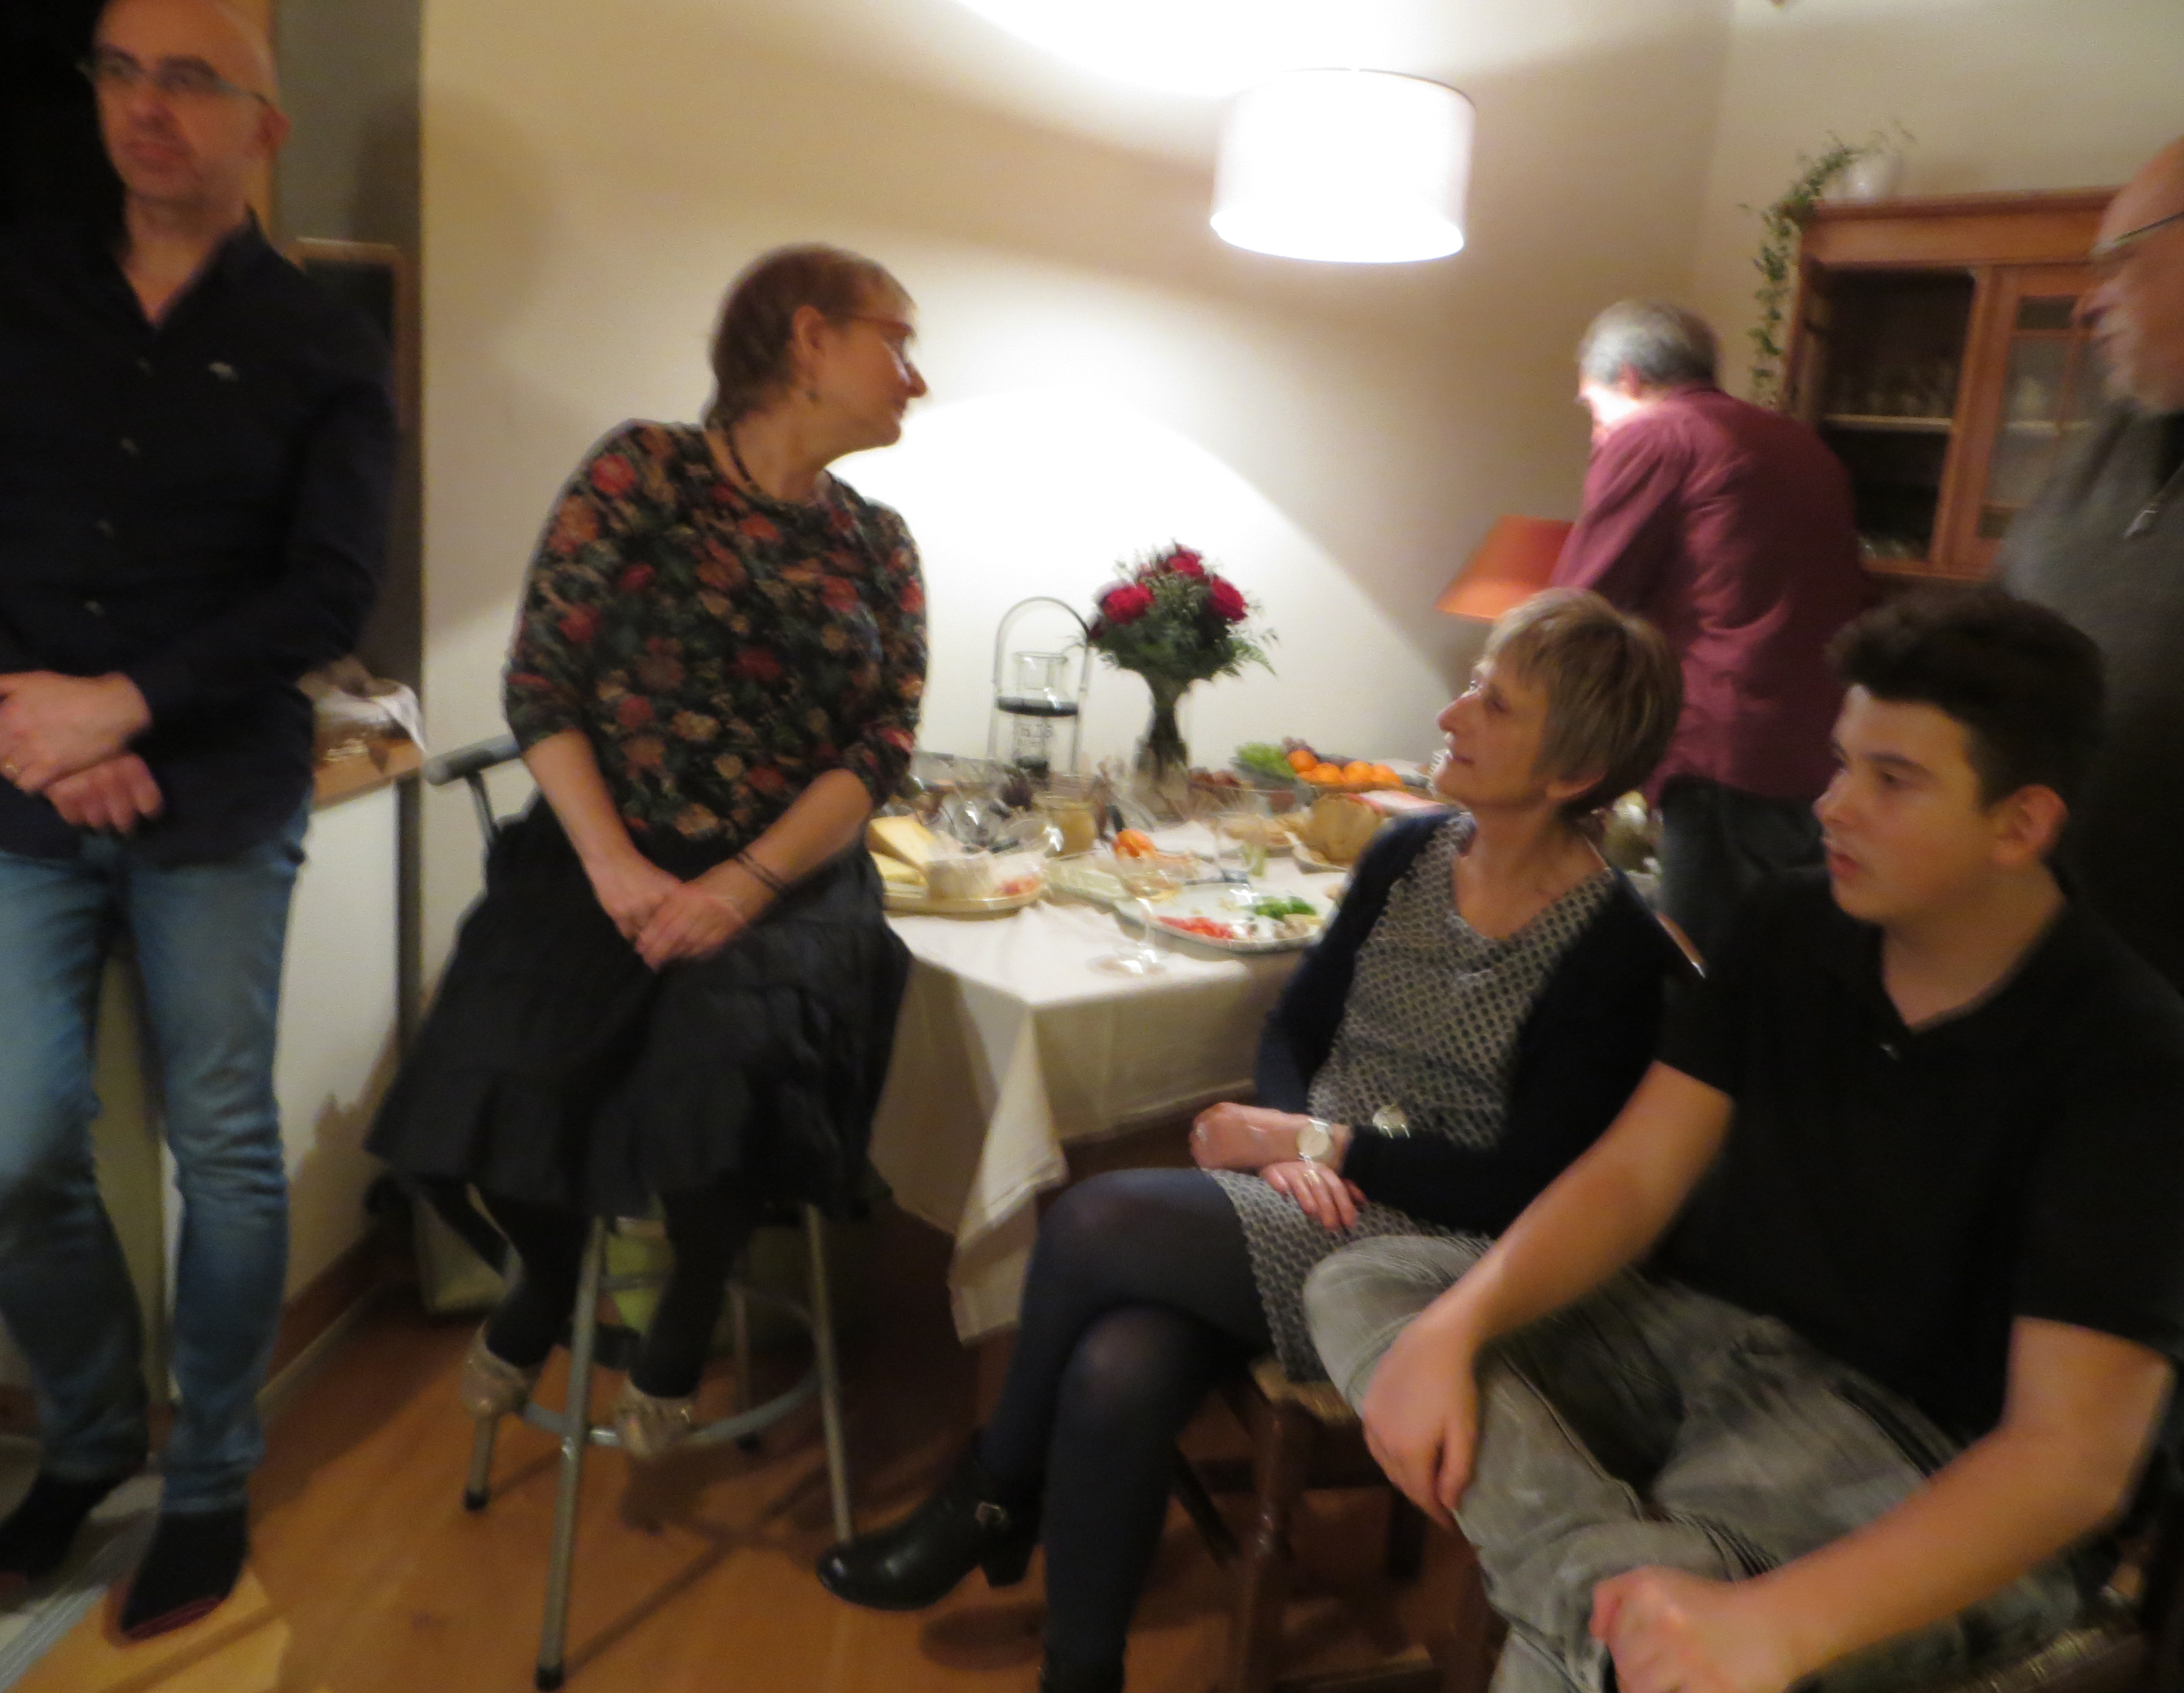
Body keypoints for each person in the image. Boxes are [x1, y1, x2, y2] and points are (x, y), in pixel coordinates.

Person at [1308, 588, 2184, 1693]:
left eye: (1892, 781)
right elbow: (1634, 1176)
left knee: (1631, 1646)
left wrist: (1781, 1624)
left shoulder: (2127, 1051)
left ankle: (1610, 1623)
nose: (1832, 806)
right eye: (1842, 763)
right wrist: (1454, 1327)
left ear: (2020, 825)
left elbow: (2070, 1462)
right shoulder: (1789, 924)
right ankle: (1609, 1600)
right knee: (1372, 1283)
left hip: (1905, 1441)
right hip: (1696, 1339)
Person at [819, 589, 1689, 1693]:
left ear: (1573, 773)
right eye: (1474, 685)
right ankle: (1078, 1670)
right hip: (1312, 1190)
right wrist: (1286, 1147)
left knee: (1096, 1220)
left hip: (1442, 1252)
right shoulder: (1408, 854)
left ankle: (993, 1491)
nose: (1452, 714)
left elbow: (1518, 1187)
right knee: (1119, 1360)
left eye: (1495, 704)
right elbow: (1293, 1027)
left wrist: (1319, 1145)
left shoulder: (1612, 947)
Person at [0, 0, 395, 1641]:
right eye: (122, 69)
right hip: (5, 791)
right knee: (10, 1157)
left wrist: (124, 704)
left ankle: (208, 1477)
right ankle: (84, 1436)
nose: (148, 104)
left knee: (224, 1148)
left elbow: (330, 589)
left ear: (264, 124)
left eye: (192, 78)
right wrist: (41, 722)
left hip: (217, 797)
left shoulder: (325, 340)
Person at [366, 244, 926, 1463]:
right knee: (484, 1069)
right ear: (808, 338)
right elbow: (542, 682)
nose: (915, 379)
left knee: (720, 1067)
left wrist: (744, 884)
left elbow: (882, 742)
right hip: (599, 856)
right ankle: (548, 1268)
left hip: (789, 881)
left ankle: (688, 1305)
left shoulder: (878, 542)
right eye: (897, 342)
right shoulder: (641, 471)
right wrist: (618, 869)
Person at [1551, 300, 1867, 960]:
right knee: (1777, 964)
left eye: (1592, 407)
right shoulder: (1801, 444)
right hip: (1820, 751)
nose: (1594, 431)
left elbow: (1576, 610)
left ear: (1629, 378)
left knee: (1694, 963)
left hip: (1722, 745)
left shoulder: (1656, 434)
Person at [2000, 137, 2184, 993]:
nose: (2086, 304)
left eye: (2120, 264)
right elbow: (1989, 633)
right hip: (2033, 963)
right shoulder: (2113, 438)